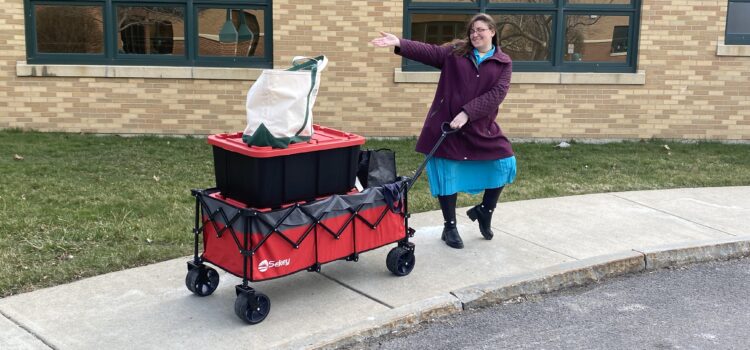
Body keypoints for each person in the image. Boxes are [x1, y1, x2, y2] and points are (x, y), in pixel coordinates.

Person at [371, 13, 516, 249]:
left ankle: (484, 211)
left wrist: (468, 112)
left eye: (480, 29)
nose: (475, 34)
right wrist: (399, 42)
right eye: (472, 31)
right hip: (448, 126)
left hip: (481, 127)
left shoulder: (503, 62)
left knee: (505, 163)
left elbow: (496, 94)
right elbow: (428, 51)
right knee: (447, 174)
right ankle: (450, 227)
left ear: (492, 31)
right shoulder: (456, 53)